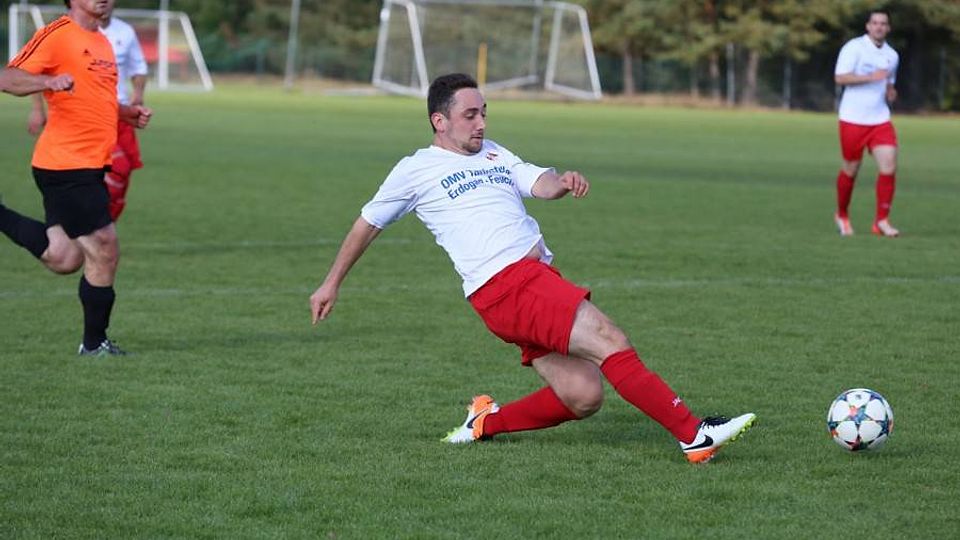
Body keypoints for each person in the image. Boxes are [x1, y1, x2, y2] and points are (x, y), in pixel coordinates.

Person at [309, 73, 755, 464]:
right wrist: (331, 283)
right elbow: (368, 223)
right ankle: (694, 435)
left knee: (583, 396)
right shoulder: (416, 170)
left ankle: (484, 423)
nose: (481, 123)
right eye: (470, 115)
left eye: (484, 113)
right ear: (439, 121)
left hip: (524, 287)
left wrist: (561, 183)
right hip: (509, 284)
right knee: (609, 339)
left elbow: (536, 182)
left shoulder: (494, 153)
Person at [0, 0, 151, 356]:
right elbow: (7, 78)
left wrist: (126, 113)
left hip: (91, 163)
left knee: (65, 257)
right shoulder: (57, 33)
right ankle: (95, 344)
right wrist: (47, 81)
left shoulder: (102, 43)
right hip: (65, 164)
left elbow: (96, 98)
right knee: (104, 245)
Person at [28, 0, 149, 222]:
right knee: (113, 171)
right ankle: (97, 227)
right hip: (79, 125)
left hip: (118, 115)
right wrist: (38, 107)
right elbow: (24, 74)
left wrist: (137, 97)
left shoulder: (120, 33)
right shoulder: (58, 33)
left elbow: (139, 67)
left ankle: (99, 226)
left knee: (121, 175)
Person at [833, 10, 901, 237]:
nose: (879, 27)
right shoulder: (854, 48)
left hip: (880, 119)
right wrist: (870, 77)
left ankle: (882, 221)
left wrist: (890, 92)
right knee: (851, 169)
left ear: (888, 28)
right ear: (868, 26)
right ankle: (842, 214)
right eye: (875, 23)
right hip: (852, 119)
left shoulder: (892, 55)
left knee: (889, 165)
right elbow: (840, 77)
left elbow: (888, 84)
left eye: (883, 23)